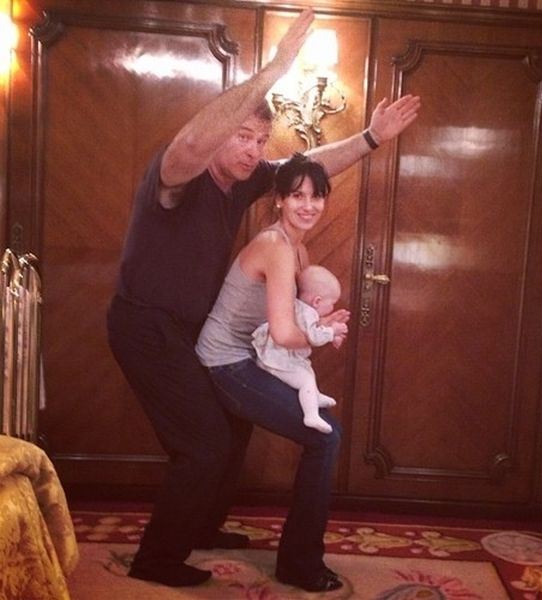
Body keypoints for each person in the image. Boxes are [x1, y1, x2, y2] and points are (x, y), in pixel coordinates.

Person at [106, 6, 420, 589]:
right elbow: (194, 139)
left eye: (259, 139)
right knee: (203, 444)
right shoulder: (178, 174)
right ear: (219, 135)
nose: (252, 150)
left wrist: (372, 137)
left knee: (232, 429)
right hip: (144, 326)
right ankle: (156, 559)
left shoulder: (244, 181)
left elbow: (307, 168)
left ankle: (202, 528)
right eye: (242, 136)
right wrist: (275, 68)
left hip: (189, 330)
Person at [196, 154, 350, 591]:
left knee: (234, 442)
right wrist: (322, 335)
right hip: (226, 361)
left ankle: (202, 529)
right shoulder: (276, 247)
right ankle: (300, 564)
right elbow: (284, 334)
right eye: (297, 195)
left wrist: (321, 325)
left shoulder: (297, 249)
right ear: (279, 199)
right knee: (326, 437)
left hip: (251, 355)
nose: (308, 205)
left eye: (316, 196)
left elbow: (293, 318)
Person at [251, 263, 346, 434]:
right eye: (332, 303)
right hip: (276, 360)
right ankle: (311, 415)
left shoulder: (300, 307)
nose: (332, 308)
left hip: (281, 356)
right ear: (317, 301)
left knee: (307, 369)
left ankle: (313, 396)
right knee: (305, 380)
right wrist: (333, 332)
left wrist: (332, 335)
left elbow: (312, 330)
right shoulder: (308, 313)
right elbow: (314, 337)